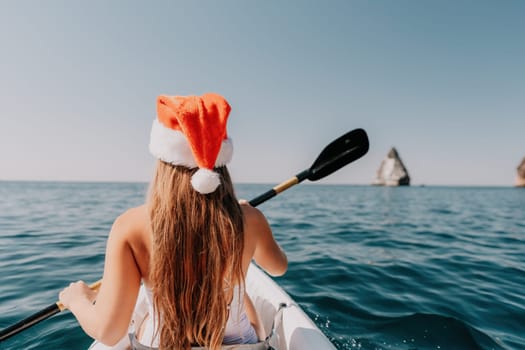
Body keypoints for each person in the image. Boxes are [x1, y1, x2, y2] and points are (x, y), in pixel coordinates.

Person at [59, 93, 288, 350]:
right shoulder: (250, 219)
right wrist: (248, 223)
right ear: (221, 163)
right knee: (242, 296)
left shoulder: (129, 225)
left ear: (164, 163)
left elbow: (109, 332)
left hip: (159, 345)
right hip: (238, 346)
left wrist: (77, 300)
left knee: (143, 319)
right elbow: (278, 267)